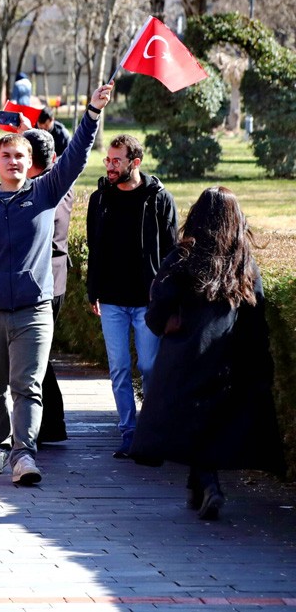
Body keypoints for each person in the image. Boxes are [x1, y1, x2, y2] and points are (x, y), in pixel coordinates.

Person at [0, 82, 110, 486]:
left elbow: (75, 157)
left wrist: (91, 113)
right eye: (6, 155)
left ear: (30, 160)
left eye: (20, 155)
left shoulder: (44, 193)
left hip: (33, 310)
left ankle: (24, 454)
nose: (13, 161)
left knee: (27, 386)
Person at [131, 187, 283, 520]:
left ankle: (207, 484)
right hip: (227, 353)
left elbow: (158, 304)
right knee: (214, 421)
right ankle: (201, 483)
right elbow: (255, 312)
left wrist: (164, 323)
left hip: (186, 354)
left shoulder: (184, 256)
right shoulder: (242, 260)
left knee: (189, 421)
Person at [86, 134, 178, 458]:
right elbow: (93, 247)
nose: (110, 167)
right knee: (120, 368)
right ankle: (129, 432)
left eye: (116, 161)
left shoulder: (159, 198)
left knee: (151, 366)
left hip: (147, 302)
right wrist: (91, 291)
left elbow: (172, 252)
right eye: (108, 160)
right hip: (111, 299)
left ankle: (153, 430)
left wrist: (167, 296)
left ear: (134, 163)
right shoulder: (100, 198)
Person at [23, 129, 71, 444]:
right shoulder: (57, 184)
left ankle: (49, 422)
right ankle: (51, 422)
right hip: (55, 280)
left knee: (36, 356)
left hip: (45, 281)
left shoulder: (44, 189)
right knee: (41, 355)